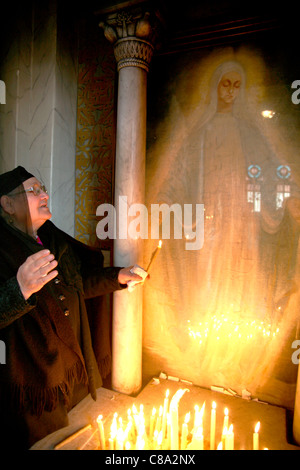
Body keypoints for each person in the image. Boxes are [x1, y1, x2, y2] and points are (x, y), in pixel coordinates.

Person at [0, 166, 144, 449]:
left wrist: (117, 277)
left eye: (43, 188)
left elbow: (77, 285)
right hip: (34, 385)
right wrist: (20, 289)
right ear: (7, 203)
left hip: (71, 371)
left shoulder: (51, 236)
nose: (44, 195)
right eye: (34, 191)